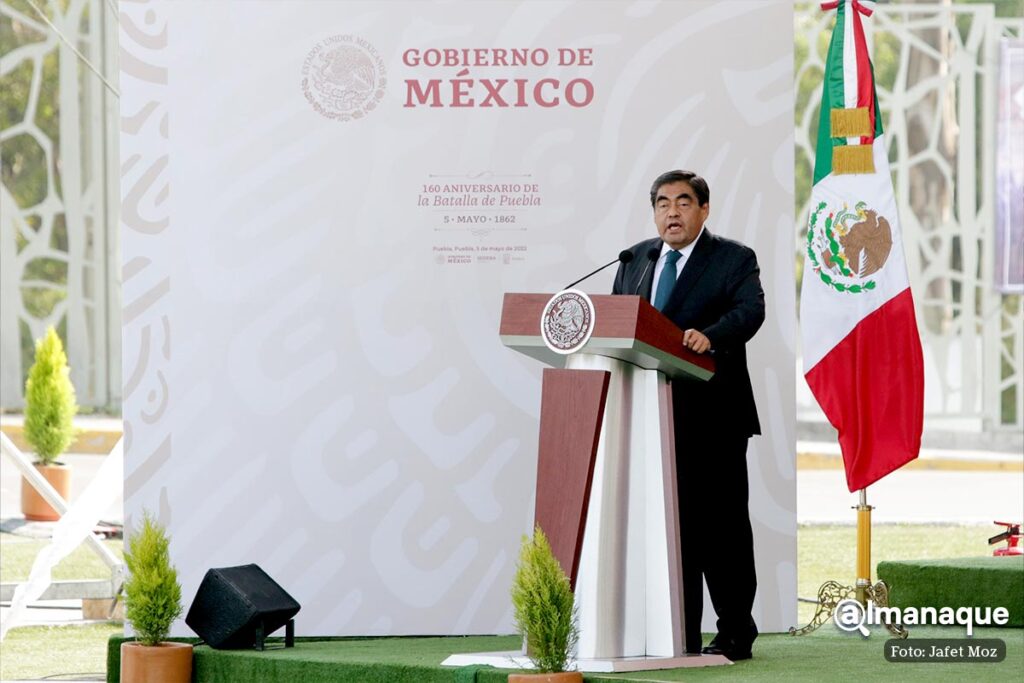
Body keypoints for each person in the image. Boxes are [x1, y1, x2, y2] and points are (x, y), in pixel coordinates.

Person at [611, 170, 765, 661]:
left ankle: (736, 631)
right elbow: (620, 320)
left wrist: (711, 335)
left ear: (704, 209)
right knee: (669, 531)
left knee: (721, 531)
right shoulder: (636, 259)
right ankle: (680, 632)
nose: (671, 212)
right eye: (662, 203)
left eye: (682, 202)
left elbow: (750, 311)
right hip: (651, 415)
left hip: (713, 417)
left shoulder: (733, 258)